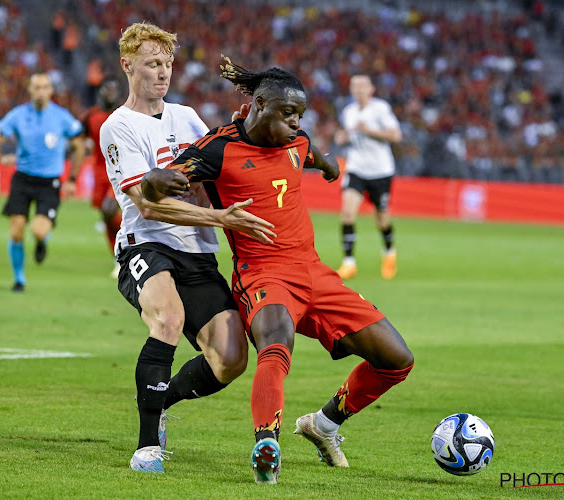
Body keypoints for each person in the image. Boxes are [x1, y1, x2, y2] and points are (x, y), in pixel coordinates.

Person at [142, 58, 414, 484]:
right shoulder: (219, 147)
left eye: (300, 116)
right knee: (275, 338)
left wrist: (330, 168)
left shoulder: (297, 141)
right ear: (259, 104)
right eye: (288, 113)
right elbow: (156, 184)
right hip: (262, 273)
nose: (295, 123)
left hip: (314, 272)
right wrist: (159, 180)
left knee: (397, 360)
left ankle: (324, 425)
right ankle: (265, 443)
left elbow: (318, 157)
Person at [99, 23, 277, 474]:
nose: (163, 73)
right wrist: (220, 218)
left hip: (196, 252)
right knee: (168, 317)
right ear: (128, 66)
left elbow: (224, 164)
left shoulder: (187, 117)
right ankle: (146, 448)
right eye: (152, 64)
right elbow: (149, 205)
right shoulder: (117, 127)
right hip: (146, 245)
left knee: (231, 357)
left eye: (168, 64)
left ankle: (164, 402)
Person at [0, 73, 84, 292]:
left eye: (44, 87)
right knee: (16, 231)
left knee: (38, 230)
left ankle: (41, 241)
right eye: (36, 87)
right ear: (30, 90)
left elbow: (79, 145)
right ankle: (19, 279)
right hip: (23, 179)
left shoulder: (61, 117)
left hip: (49, 182)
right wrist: (0, 155)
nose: (40, 91)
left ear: (50, 91)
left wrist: (73, 178)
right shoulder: (18, 115)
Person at [334, 74, 402, 280]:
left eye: (363, 85)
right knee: (347, 213)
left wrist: (370, 131)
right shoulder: (349, 112)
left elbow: (396, 136)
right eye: (355, 86)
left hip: (380, 171)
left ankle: (389, 253)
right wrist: (342, 137)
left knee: (381, 218)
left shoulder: (380, 109)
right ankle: (349, 262)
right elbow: (344, 135)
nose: (359, 89)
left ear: (371, 88)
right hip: (356, 168)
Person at [78, 79, 123, 278]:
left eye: (114, 90)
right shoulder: (90, 116)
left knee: (109, 208)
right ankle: (119, 257)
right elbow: (79, 139)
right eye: (107, 89)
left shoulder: (125, 115)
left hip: (121, 171)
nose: (110, 93)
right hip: (99, 173)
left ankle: (129, 247)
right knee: (106, 218)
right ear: (101, 92)